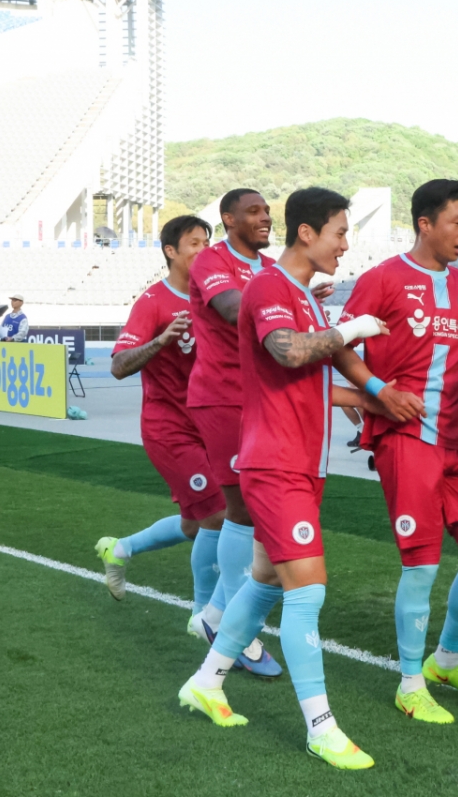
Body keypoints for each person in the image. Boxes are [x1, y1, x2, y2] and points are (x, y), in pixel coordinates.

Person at [179, 187, 395, 769]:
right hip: (276, 465)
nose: (345, 245)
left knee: (269, 581)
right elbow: (289, 352)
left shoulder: (302, 295)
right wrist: (351, 330)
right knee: (308, 592)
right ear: (307, 233)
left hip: (301, 462)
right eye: (339, 233)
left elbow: (311, 373)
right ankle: (321, 727)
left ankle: (207, 681)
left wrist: (369, 394)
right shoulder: (270, 286)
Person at [337, 179, 458, 724]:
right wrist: (377, 391)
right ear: (425, 224)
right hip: (406, 441)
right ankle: (410, 684)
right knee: (421, 565)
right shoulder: (382, 279)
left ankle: (446, 661)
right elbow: (340, 347)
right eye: (456, 222)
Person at [185, 187, 297, 677]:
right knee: (242, 510)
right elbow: (235, 309)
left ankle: (214, 616)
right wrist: (279, 303)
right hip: (223, 396)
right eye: (253, 211)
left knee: (255, 508)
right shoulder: (212, 261)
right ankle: (235, 624)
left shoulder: (268, 268)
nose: (265, 217)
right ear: (228, 219)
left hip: (259, 397)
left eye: (267, 210)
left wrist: (295, 301)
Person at [95, 216, 226, 624]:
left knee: (194, 525)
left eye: (207, 242)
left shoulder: (216, 298)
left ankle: (120, 549)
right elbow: (118, 366)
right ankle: (203, 616)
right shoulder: (153, 301)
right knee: (219, 514)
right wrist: (161, 340)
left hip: (211, 424)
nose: (204, 250)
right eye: (194, 243)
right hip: (170, 428)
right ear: (171, 251)